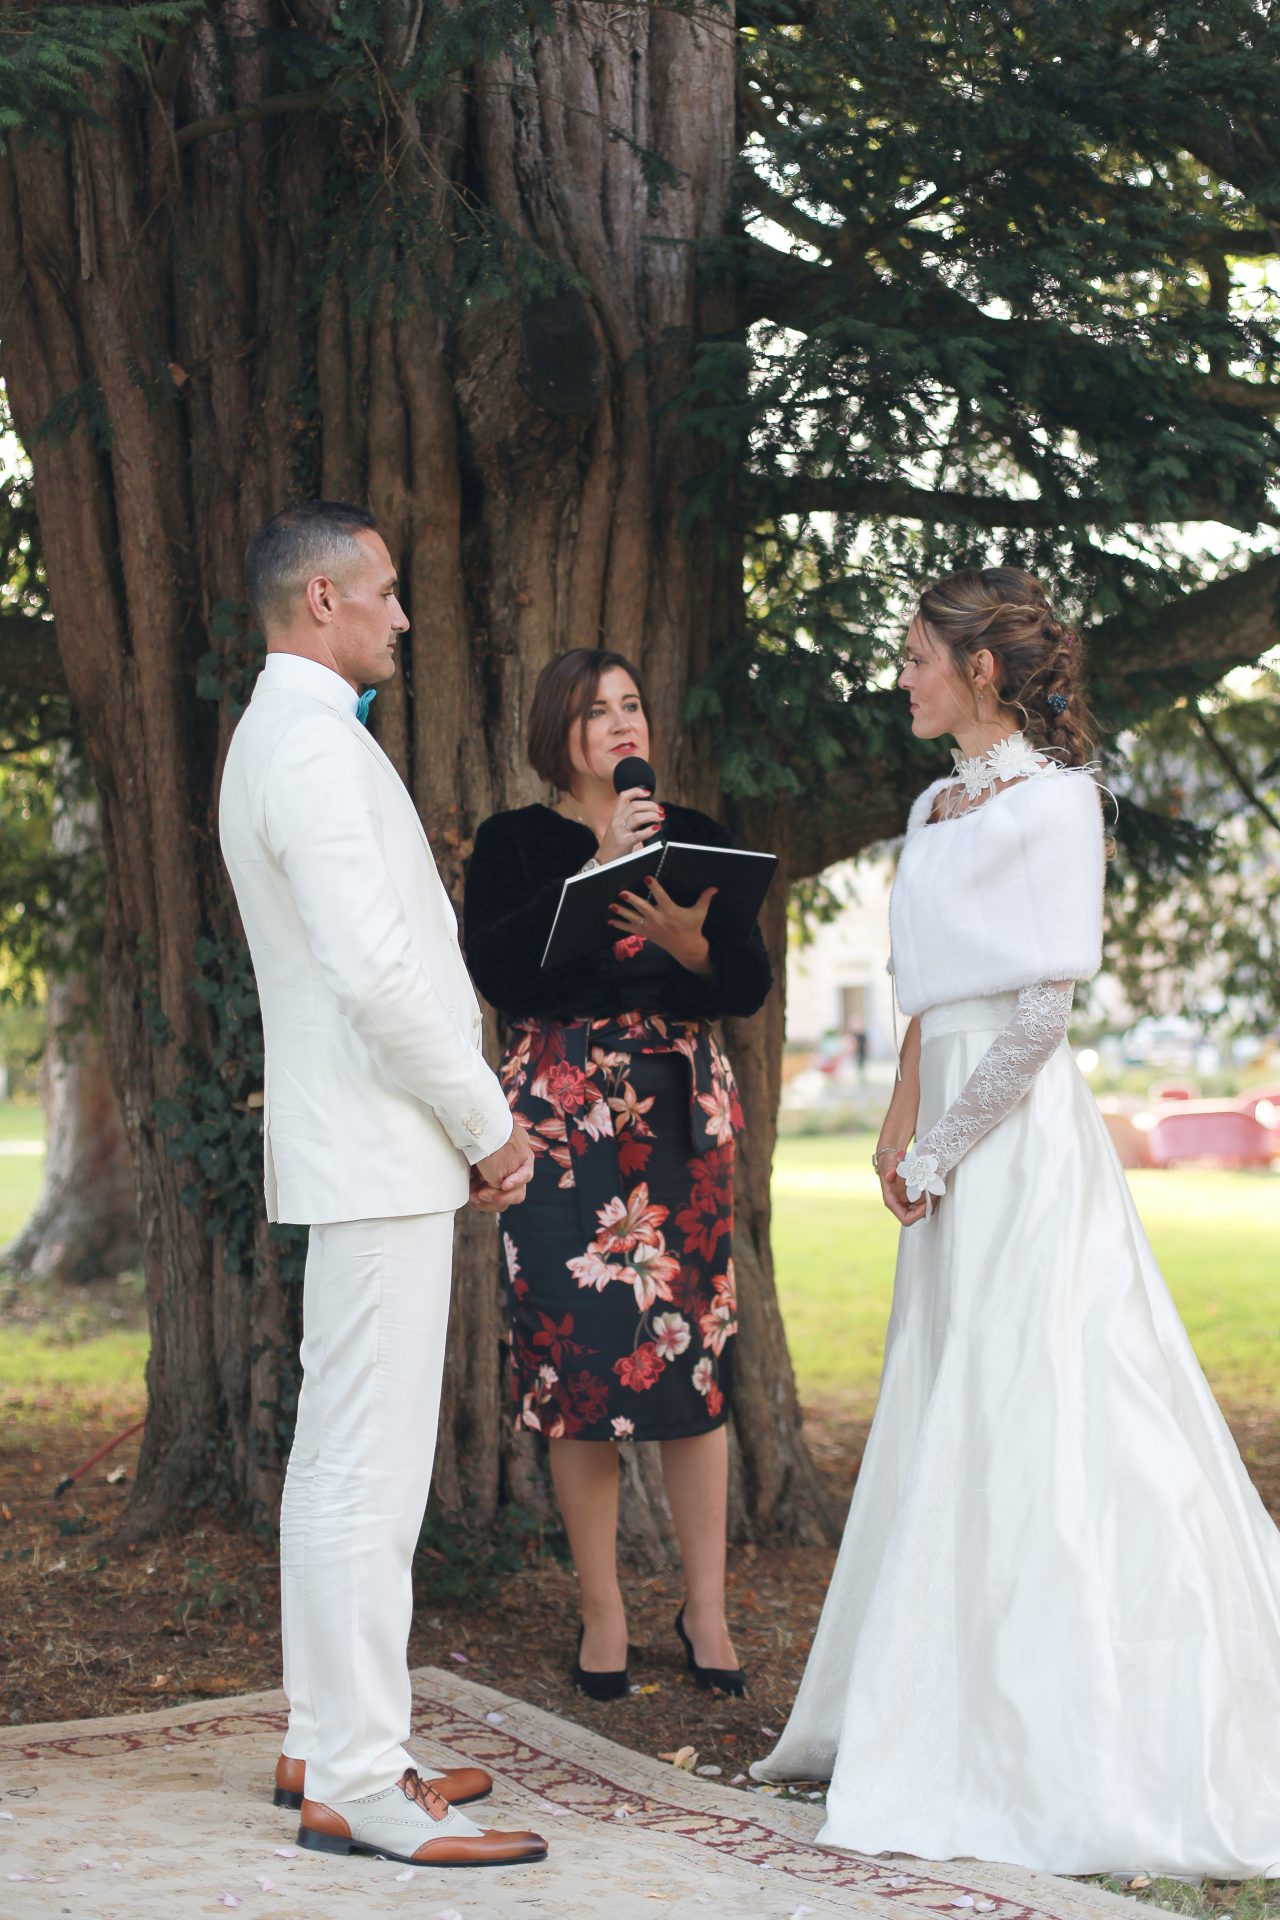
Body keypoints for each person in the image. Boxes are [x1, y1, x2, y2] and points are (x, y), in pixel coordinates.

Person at [753, 567, 1280, 1876]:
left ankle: (1057, 1723)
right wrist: (898, 1124)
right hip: (942, 1132)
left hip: (1023, 1141)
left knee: (1044, 1404)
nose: (905, 677)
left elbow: (1039, 1014)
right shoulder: (932, 805)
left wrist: (942, 1146)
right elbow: (932, 993)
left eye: (920, 657)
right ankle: (936, 1692)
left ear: (981, 670)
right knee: (947, 1406)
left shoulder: (1059, 807)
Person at [218, 502, 547, 1871]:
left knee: (343, 1459)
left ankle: (324, 1731)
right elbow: (376, 977)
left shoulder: (299, 739)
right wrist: (488, 1121)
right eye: (385, 593)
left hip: (368, 1147)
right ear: (318, 604)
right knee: (367, 1468)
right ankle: (357, 1777)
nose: (403, 616)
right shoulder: (304, 749)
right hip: (380, 1143)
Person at [463, 648, 772, 1698]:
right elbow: (500, 971)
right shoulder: (514, 846)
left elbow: (744, 982)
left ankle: (704, 1609)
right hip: (555, 1120)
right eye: (596, 711)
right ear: (558, 730)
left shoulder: (700, 840)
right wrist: (596, 863)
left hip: (677, 1118)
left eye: (631, 704)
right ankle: (601, 1611)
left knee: (692, 1360)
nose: (619, 724)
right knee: (572, 1368)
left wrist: (690, 946)